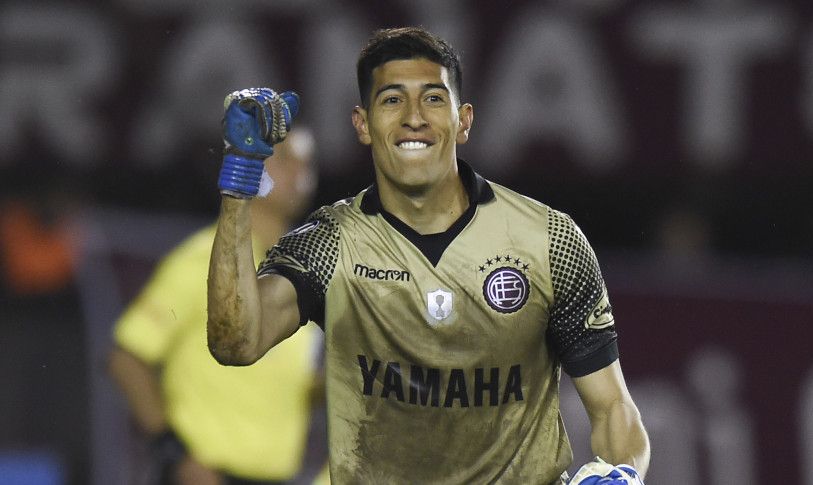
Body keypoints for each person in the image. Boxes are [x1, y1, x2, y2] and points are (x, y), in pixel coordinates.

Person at [207, 27, 650, 484]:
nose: (414, 117)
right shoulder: (329, 244)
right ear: (363, 124)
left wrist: (623, 474)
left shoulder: (548, 240)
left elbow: (613, 407)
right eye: (392, 100)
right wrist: (240, 175)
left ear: (464, 121)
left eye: (434, 99)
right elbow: (236, 342)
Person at [109, 127, 327, 485]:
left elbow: (284, 382)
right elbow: (127, 358)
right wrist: (175, 455)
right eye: (286, 159)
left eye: (307, 162)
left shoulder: (307, 271)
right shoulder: (203, 259)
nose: (299, 172)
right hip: (206, 475)